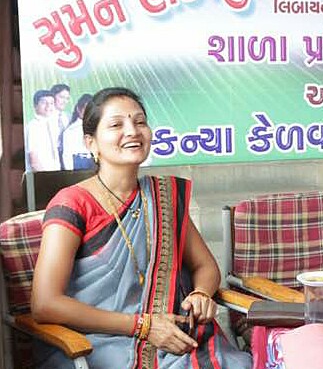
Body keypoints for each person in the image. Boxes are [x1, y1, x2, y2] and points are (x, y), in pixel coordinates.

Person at [30, 87, 251, 368]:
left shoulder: (163, 197)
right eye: (116, 125)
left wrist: (200, 293)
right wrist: (143, 326)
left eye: (140, 122)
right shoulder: (72, 203)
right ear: (91, 143)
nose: (132, 131)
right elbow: (45, 303)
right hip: (98, 341)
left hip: (173, 333)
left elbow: (205, 266)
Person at [25, 89, 61, 172]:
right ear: (35, 105)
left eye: (51, 103)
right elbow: (33, 159)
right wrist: (44, 176)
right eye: (44, 102)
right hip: (40, 174)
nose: (48, 106)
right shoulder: (32, 127)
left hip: (55, 172)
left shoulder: (52, 125)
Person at [61, 93, 95, 170]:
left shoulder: (98, 127)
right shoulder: (70, 131)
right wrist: (70, 173)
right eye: (86, 109)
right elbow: (67, 155)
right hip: (79, 163)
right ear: (78, 109)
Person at [50, 83, 72, 169]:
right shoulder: (46, 117)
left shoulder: (68, 117)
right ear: (53, 96)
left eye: (67, 98)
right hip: (50, 157)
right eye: (61, 97)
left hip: (66, 156)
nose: (64, 101)